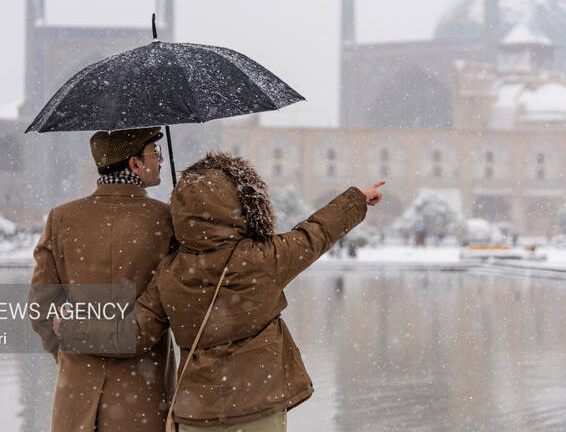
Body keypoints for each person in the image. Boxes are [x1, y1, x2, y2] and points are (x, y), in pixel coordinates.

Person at [55, 152, 384, 431]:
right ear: (245, 204)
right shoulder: (265, 259)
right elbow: (315, 233)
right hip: (261, 405)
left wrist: (76, 328)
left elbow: (135, 333)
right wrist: (356, 198)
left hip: (198, 414)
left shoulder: (170, 274)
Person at [29, 127, 176, 432]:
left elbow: (41, 308)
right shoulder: (166, 220)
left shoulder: (61, 218)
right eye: (154, 153)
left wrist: (72, 352)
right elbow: (176, 306)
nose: (161, 160)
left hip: (76, 401)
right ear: (134, 164)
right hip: (144, 401)